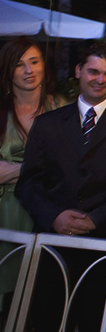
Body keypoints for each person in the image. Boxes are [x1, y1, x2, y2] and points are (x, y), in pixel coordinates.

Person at [17, 42, 106, 239]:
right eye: (93, 71)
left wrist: (96, 219)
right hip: (51, 239)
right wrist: (54, 216)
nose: (100, 80)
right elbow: (28, 183)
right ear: (78, 70)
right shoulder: (47, 123)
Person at [1, 38, 62, 241]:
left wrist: (14, 169)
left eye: (34, 61)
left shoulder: (62, 107)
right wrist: (46, 168)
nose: (29, 70)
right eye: (19, 64)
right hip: (7, 212)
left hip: (53, 212)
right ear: (7, 70)